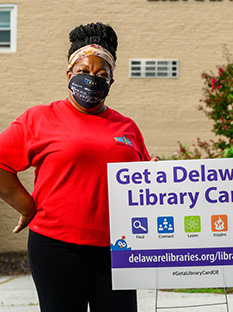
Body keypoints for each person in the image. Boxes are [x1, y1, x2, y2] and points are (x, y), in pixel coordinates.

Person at [0, 22, 154, 312]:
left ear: (111, 81)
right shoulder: (39, 118)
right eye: (83, 72)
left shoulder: (127, 127)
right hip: (57, 246)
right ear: (69, 74)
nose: (92, 80)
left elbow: (140, 180)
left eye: (101, 74)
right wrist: (27, 207)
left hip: (117, 248)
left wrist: (155, 174)